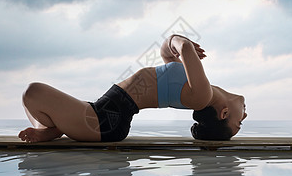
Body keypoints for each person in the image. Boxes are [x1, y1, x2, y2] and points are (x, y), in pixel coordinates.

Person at [19, 34, 247, 143]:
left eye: (240, 122)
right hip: (101, 113)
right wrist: (174, 43)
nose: (244, 115)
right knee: (31, 96)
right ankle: (51, 129)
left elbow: (183, 46)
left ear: (223, 113)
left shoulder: (201, 96)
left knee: (33, 93)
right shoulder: (198, 89)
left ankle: (50, 129)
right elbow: (168, 53)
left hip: (105, 120)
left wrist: (180, 41)